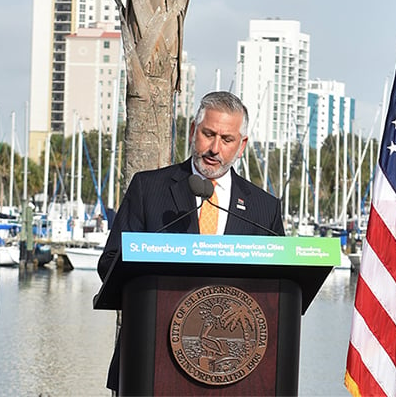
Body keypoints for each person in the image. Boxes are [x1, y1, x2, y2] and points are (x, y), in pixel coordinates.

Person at [96, 91, 285, 391]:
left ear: (242, 145)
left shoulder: (264, 209)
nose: (214, 148)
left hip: (237, 376)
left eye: (227, 139)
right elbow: (110, 263)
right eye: (208, 134)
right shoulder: (149, 189)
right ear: (193, 131)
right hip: (151, 363)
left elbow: (279, 285)